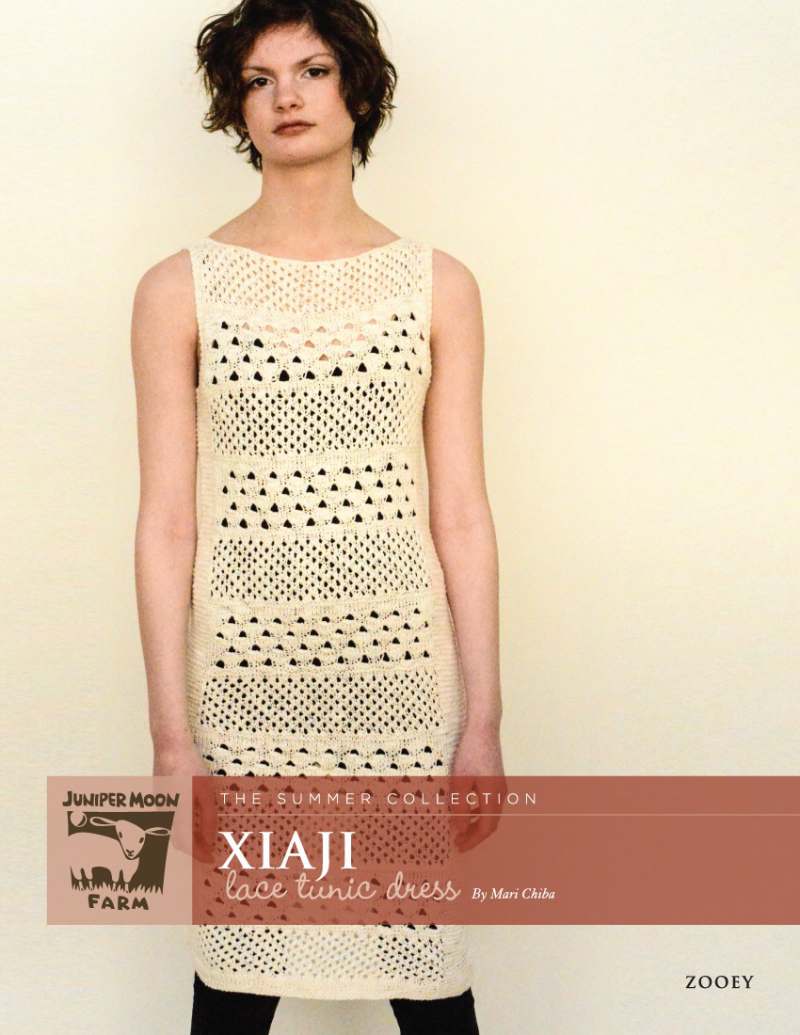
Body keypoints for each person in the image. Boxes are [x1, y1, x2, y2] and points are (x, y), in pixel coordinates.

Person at [130, 1, 504, 1031]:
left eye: (312, 70)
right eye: (258, 79)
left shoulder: (438, 285)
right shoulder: (177, 289)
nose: (285, 96)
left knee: (429, 984)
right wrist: (171, 741)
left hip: (400, 684)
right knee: (233, 986)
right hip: (242, 684)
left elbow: (461, 515)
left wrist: (482, 722)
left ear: (358, 91)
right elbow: (166, 525)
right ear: (236, 106)